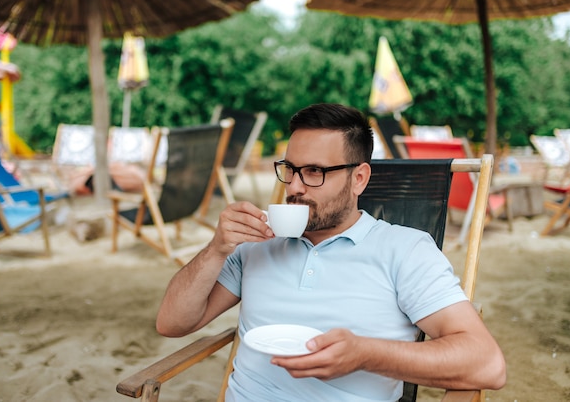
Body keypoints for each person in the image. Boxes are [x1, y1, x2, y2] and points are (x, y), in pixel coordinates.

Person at [156, 103, 506, 401]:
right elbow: (172, 323)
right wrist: (216, 248)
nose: (294, 187)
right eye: (290, 170)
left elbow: (486, 365)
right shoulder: (254, 244)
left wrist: (366, 355)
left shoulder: (405, 249)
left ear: (359, 179)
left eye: (314, 172)